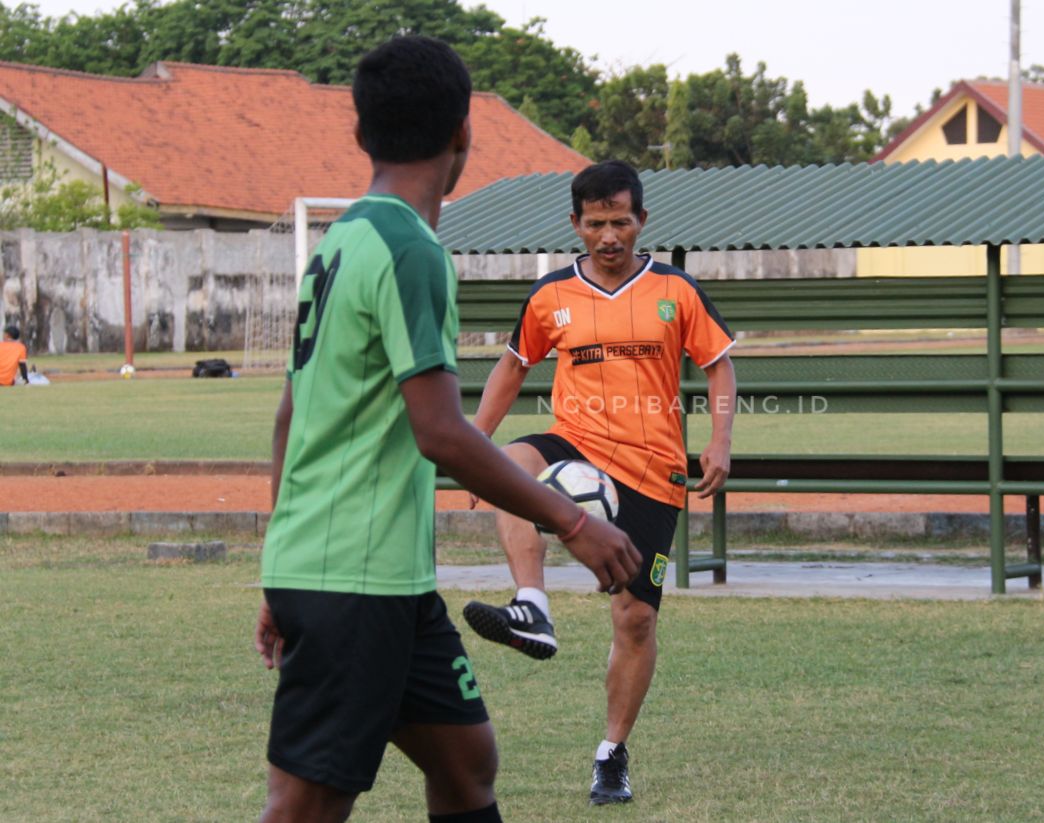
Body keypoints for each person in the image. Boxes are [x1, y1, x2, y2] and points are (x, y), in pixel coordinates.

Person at [253, 37, 640, 823]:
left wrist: (280, 558)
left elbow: (293, 409)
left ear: (360, 135)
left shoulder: (341, 240)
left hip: (379, 578)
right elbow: (440, 431)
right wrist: (570, 521)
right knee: (304, 806)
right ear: (465, 131)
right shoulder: (408, 249)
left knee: (466, 764)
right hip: (351, 576)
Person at [462, 160, 737, 805]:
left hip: (653, 471)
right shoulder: (550, 297)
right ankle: (532, 605)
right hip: (575, 447)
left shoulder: (678, 291)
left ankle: (611, 752)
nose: (608, 236)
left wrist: (720, 439)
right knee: (510, 466)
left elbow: (721, 368)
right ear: (574, 224)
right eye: (595, 224)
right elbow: (511, 369)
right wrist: (473, 447)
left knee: (635, 618)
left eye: (620, 222)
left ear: (642, 221)